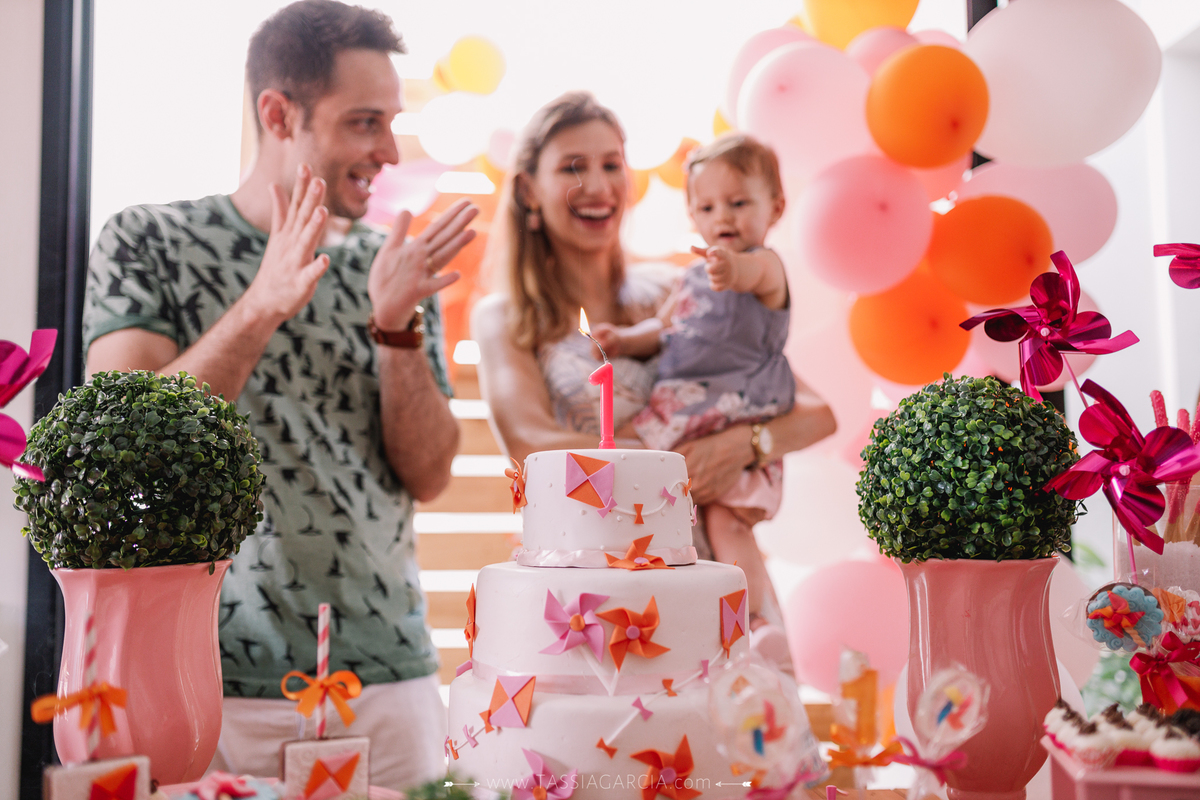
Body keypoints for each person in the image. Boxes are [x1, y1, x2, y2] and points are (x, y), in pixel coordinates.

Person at [82, 0, 477, 789]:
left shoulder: (391, 266)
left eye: (391, 122)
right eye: (366, 122)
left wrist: (395, 325)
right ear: (278, 113)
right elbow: (123, 449)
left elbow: (428, 475)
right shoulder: (148, 241)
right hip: (209, 683)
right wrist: (262, 303)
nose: (388, 150)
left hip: (388, 676)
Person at [471, 93, 836, 656]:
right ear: (527, 190)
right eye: (574, 166)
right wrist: (669, 467)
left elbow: (813, 413)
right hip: (605, 595)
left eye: (612, 165)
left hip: (715, 563)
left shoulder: (676, 288)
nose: (599, 185)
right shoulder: (506, 318)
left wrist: (743, 443)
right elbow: (531, 443)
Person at [589, 134, 793, 633]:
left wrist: (733, 266)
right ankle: (697, 628)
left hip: (734, 410)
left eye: (739, 203)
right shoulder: (689, 279)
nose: (722, 217)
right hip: (687, 421)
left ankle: (753, 623)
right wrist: (624, 338)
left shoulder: (764, 265)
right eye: (707, 206)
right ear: (692, 217)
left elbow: (750, 275)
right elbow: (662, 327)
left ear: (776, 207)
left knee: (728, 524)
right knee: (677, 530)